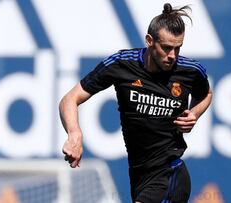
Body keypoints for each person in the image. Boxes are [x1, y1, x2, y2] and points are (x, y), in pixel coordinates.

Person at [59, 3, 212, 203]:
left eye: (178, 48)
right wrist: (74, 133)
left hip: (170, 172)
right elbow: (69, 99)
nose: (172, 55)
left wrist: (195, 113)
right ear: (149, 41)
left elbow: (206, 93)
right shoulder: (122, 64)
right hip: (140, 176)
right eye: (166, 48)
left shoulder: (190, 71)